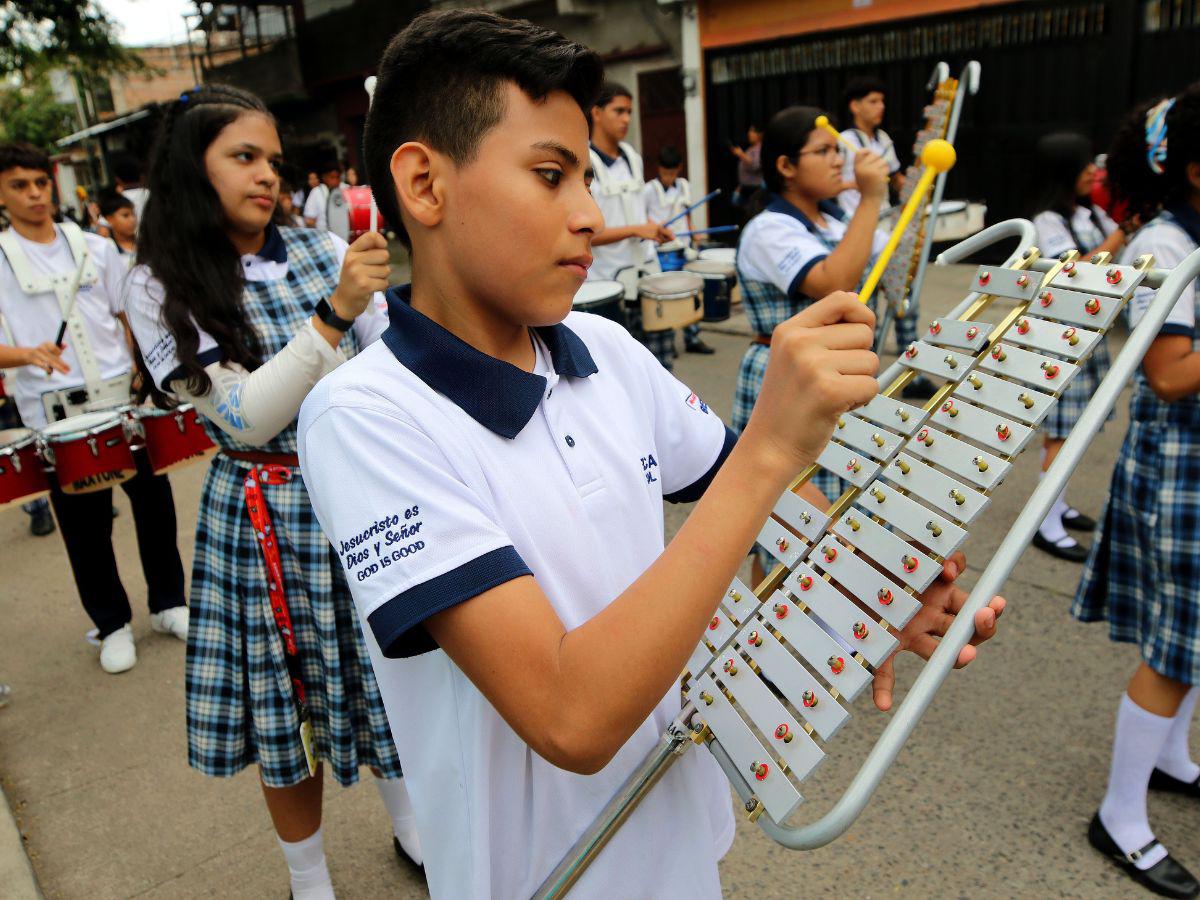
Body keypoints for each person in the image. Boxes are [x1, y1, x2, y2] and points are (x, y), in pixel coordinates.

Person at [298, 10, 1006, 898]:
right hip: (540, 876)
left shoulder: (605, 347)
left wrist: (880, 586)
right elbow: (569, 715)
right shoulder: (365, 415)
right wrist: (770, 451)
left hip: (676, 834)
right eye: (550, 176)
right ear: (425, 186)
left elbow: (771, 506)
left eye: (586, 178)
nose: (592, 217)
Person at [122, 84, 421, 900]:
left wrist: (388, 310)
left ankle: (413, 828)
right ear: (194, 167)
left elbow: (389, 367)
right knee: (288, 707)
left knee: (388, 670)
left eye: (273, 161)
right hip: (262, 514)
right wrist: (336, 314)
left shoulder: (321, 249)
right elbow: (245, 419)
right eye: (243, 157)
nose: (266, 176)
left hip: (358, 491)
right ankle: (309, 878)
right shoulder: (154, 286)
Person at [1072, 84, 1200, 899]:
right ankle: (1120, 815)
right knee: (1177, 646)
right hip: (1183, 463)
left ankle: (1170, 759)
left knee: (1194, 638)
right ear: (1193, 169)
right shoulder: (1162, 244)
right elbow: (1167, 375)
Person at [0, 141, 187, 673]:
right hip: (55, 413)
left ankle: (169, 604)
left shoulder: (95, 247)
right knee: (84, 525)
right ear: (2, 192)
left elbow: (126, 312)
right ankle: (112, 625)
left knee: (154, 503)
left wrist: (138, 362)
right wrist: (25, 353)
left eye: (40, 182)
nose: (35, 194)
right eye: (20, 185)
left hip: (119, 400)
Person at [732, 105, 891, 584]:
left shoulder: (833, 221)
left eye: (837, 150)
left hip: (841, 375)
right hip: (788, 379)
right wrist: (870, 199)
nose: (837, 161)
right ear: (785, 166)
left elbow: (895, 260)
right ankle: (761, 641)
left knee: (834, 510)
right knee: (787, 519)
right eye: (823, 151)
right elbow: (835, 281)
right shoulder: (768, 229)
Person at [1028, 132, 1131, 562]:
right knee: (1061, 434)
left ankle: (1058, 504)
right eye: (1085, 164)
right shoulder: (1045, 221)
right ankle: (1044, 523)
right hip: (1059, 343)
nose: (1094, 171)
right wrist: (1120, 236)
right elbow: (1073, 272)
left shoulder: (1090, 213)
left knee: (1078, 430)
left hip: (1088, 337)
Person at [585, 81, 677, 368]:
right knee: (620, 371)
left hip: (646, 274)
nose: (626, 119)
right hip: (608, 283)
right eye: (619, 111)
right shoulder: (584, 162)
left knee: (660, 366)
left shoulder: (633, 157)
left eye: (629, 112)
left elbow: (634, 212)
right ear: (596, 112)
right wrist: (637, 230)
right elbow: (585, 232)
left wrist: (651, 226)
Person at [642, 144, 714, 355]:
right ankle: (668, 340)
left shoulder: (684, 186)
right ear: (658, 169)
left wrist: (693, 232)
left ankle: (693, 337)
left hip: (683, 246)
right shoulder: (649, 190)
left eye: (672, 173)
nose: (669, 177)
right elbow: (642, 216)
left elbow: (687, 213)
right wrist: (656, 228)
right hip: (661, 248)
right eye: (665, 173)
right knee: (667, 295)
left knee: (690, 291)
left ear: (679, 169)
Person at [837, 76, 903, 218]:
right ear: (855, 106)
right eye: (873, 101)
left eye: (882, 101)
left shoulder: (884, 138)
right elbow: (826, 185)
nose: (881, 106)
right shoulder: (842, 141)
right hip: (853, 220)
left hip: (885, 216)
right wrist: (856, 184)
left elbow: (896, 179)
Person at [302, 159, 350, 240]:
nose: (335, 181)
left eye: (337, 177)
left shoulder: (347, 189)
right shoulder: (316, 192)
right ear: (324, 177)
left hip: (346, 239)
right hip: (324, 240)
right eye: (332, 177)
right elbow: (309, 221)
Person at [729, 122, 764, 216]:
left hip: (754, 189)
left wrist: (741, 154)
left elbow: (756, 165)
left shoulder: (760, 149)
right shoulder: (751, 149)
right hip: (746, 188)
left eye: (752, 131)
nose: (749, 134)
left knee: (753, 214)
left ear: (760, 134)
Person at [98, 191, 137, 262]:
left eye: (133, 214)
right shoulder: (107, 249)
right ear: (109, 220)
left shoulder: (146, 243)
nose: (132, 220)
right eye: (125, 215)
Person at [111, 153, 150, 223]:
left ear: (117, 179)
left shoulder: (115, 201)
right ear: (141, 176)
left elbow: (103, 230)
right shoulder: (153, 195)